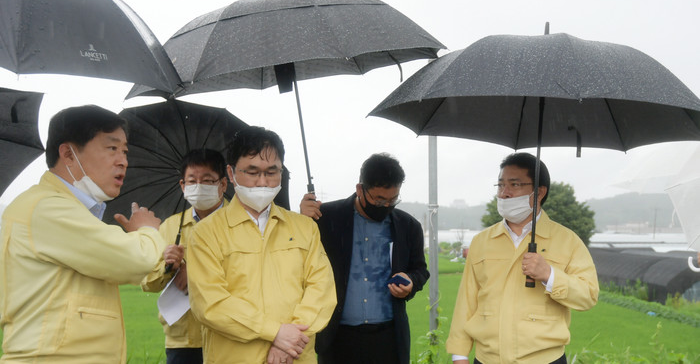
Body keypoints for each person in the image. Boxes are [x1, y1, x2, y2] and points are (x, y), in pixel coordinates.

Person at [0, 105, 166, 363]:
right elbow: (136, 260)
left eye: (124, 151)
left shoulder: (66, 209)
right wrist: (147, 230)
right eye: (112, 148)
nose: (123, 161)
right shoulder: (48, 207)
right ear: (68, 154)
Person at [186, 126, 336, 364]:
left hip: (294, 357)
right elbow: (210, 303)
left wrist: (291, 340)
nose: (263, 182)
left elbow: (322, 290)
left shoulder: (304, 228)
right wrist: (275, 333)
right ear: (231, 173)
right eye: (252, 172)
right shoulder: (206, 233)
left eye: (271, 172)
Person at [446, 152, 599, 364]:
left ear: (539, 192)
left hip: (545, 359)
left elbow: (588, 295)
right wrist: (459, 354)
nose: (504, 193)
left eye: (515, 184)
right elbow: (467, 300)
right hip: (487, 359)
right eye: (500, 185)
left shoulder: (567, 240)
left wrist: (549, 275)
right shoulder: (482, 241)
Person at [300, 153, 430, 364]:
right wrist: (301, 221)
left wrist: (411, 281)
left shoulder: (408, 226)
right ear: (360, 189)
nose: (386, 206)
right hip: (337, 337)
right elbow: (297, 258)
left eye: (393, 200)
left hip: (388, 339)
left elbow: (420, 270)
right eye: (379, 200)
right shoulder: (325, 217)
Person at [141, 148, 229, 364]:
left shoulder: (241, 222)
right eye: (192, 181)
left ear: (223, 184)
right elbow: (148, 282)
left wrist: (195, 273)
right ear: (182, 185)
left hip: (229, 335)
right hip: (183, 340)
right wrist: (169, 267)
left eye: (207, 180)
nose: (199, 186)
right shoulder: (170, 226)